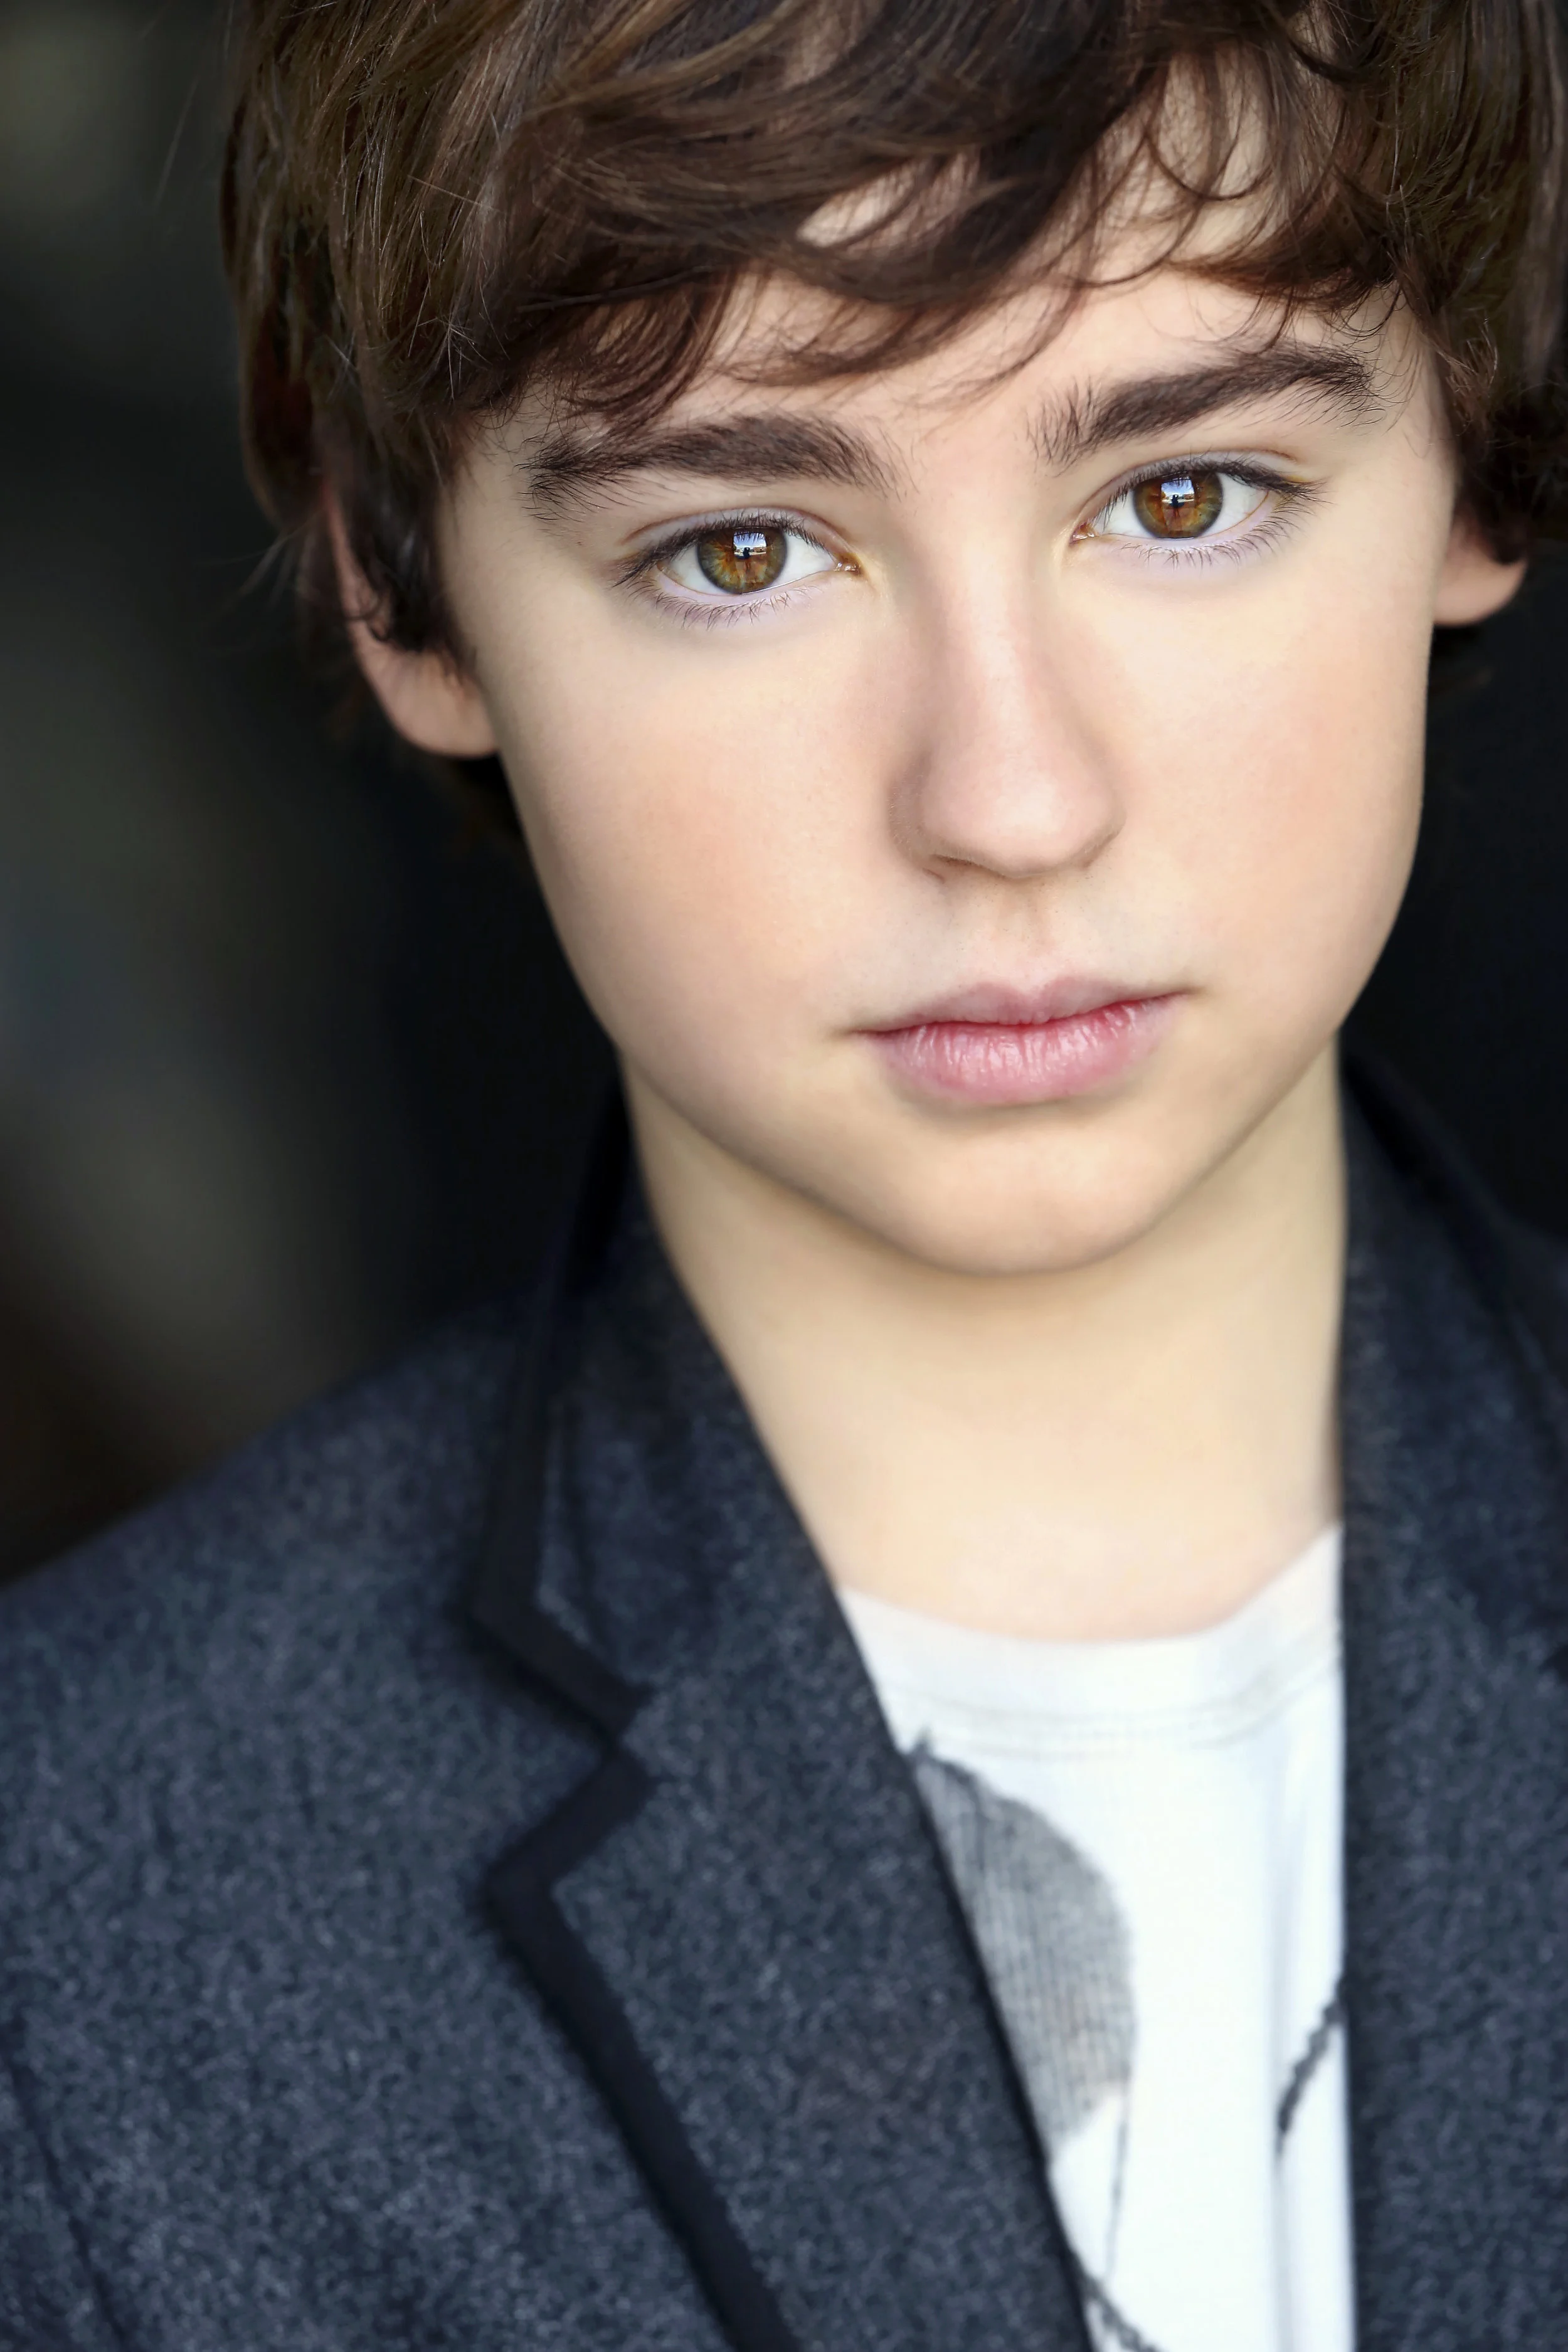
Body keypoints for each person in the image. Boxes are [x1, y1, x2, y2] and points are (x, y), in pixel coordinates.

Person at [3, 0, 1565, 2344]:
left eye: (1178, 498)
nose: (1008, 797)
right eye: (743, 545)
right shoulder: (80, 1910)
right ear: (397, 586)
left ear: (1478, 469)